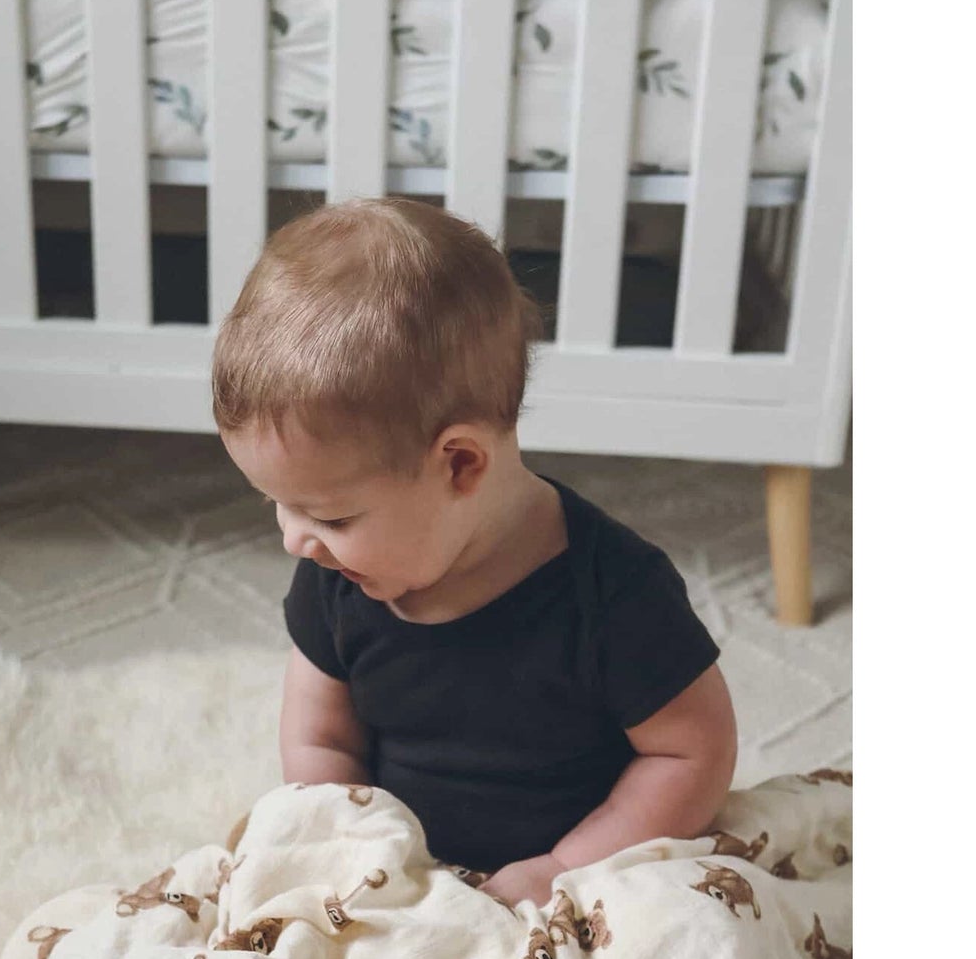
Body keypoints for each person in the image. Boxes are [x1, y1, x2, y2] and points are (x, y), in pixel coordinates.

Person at [212, 198, 737, 907]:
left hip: (574, 884)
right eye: (276, 502)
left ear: (460, 464)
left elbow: (690, 753)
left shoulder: (614, 595)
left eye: (328, 514)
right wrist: (345, 842)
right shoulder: (336, 575)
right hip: (394, 879)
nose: (293, 539)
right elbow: (321, 740)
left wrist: (564, 866)